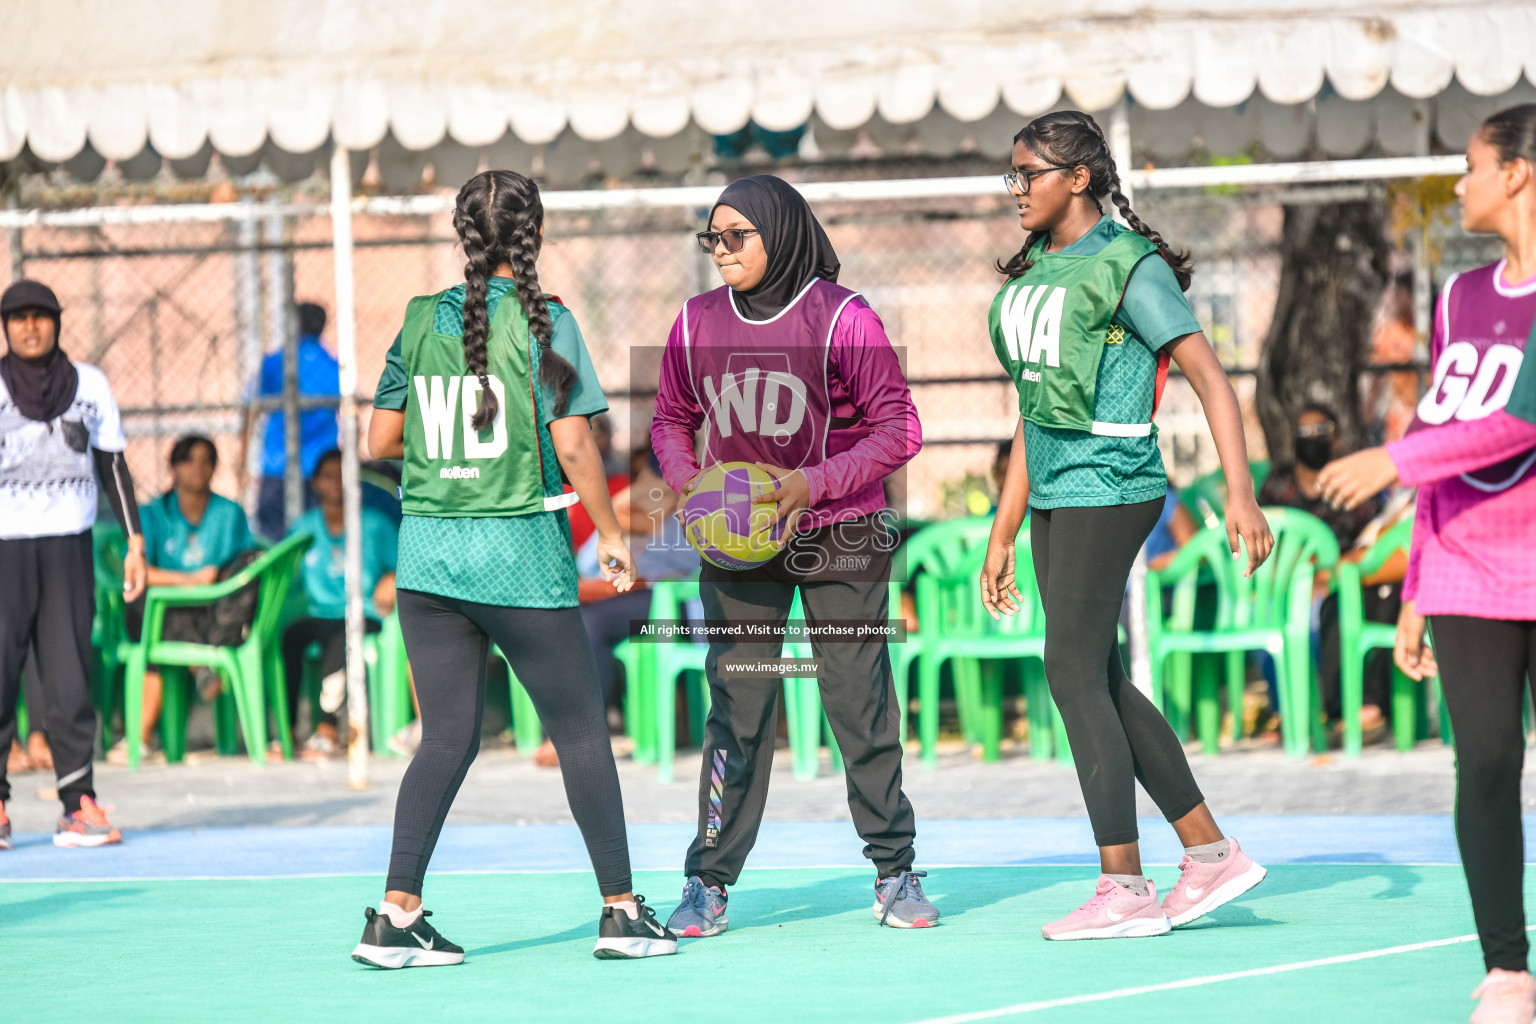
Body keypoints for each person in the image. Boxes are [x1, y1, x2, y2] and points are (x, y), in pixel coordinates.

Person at [360, 169, 675, 965]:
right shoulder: (549, 322)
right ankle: (622, 910)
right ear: (533, 234)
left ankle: (394, 917)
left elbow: (379, 443)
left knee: (446, 738)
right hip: (516, 557)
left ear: (462, 236)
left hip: (428, 558)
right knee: (577, 731)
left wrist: (454, 453)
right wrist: (608, 529)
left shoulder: (420, 318)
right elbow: (573, 444)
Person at [979, 111, 1274, 939]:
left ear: (1077, 177)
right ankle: (1211, 854)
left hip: (1112, 484)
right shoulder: (1038, 267)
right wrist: (1002, 531)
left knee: (1070, 674)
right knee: (1096, 677)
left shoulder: (1129, 267)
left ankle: (1125, 887)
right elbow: (1031, 417)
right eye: (1012, 174)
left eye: (1027, 174)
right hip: (1051, 489)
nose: (1016, 190)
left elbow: (1211, 381)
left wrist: (1242, 496)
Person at [652, 173, 937, 933]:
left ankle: (896, 871)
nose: (720, 250)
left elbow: (899, 429)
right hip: (740, 541)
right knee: (737, 711)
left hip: (840, 529)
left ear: (779, 232)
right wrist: (692, 488)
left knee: (857, 701)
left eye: (735, 235)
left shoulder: (843, 318)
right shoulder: (694, 323)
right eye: (711, 237)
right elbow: (670, 422)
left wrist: (814, 483)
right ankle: (707, 881)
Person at [1318, 104, 1536, 1024]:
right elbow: (1449, 432)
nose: (1459, 183)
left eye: (1472, 165)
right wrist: (1416, 579)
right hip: (1465, 564)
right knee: (1484, 760)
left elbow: (1519, 422)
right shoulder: (1458, 298)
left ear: (1519, 174)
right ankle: (1508, 972)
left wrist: (1389, 461)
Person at [0, 279, 146, 850]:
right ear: (6, 328)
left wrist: (135, 543)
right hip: (5, 547)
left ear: (57, 323)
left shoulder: (89, 385)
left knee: (69, 673)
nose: (29, 327)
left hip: (68, 546)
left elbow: (113, 467)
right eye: (17, 319)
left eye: (40, 317)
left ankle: (76, 802)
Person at [112, 434, 258, 763]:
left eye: (207, 460)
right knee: (156, 611)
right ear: (173, 467)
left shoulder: (230, 513)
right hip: (160, 610)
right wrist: (188, 581)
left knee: (248, 566)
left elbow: (241, 568)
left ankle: (140, 740)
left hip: (213, 613)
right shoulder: (150, 515)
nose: (199, 468)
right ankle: (200, 667)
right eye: (190, 460)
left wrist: (208, 585)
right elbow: (137, 572)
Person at [280, 449, 398, 759]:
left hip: (365, 613)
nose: (336, 483)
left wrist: (391, 576)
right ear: (315, 483)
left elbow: (403, 564)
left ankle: (327, 733)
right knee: (290, 637)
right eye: (328, 476)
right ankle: (287, 732)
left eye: (344, 475)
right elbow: (284, 576)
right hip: (319, 613)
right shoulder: (302, 527)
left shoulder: (374, 524)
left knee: (340, 636)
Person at [242, 302, 339, 540]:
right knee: (313, 537)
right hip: (318, 471)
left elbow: (250, 410)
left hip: (276, 466)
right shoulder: (332, 366)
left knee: (271, 540)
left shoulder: (275, 362)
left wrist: (243, 462)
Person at [1258, 404, 1381, 550]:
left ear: (1336, 439)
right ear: (1293, 440)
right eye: (1302, 431)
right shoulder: (1276, 486)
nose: (1312, 437)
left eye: (1321, 430)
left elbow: (1374, 536)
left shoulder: (1353, 484)